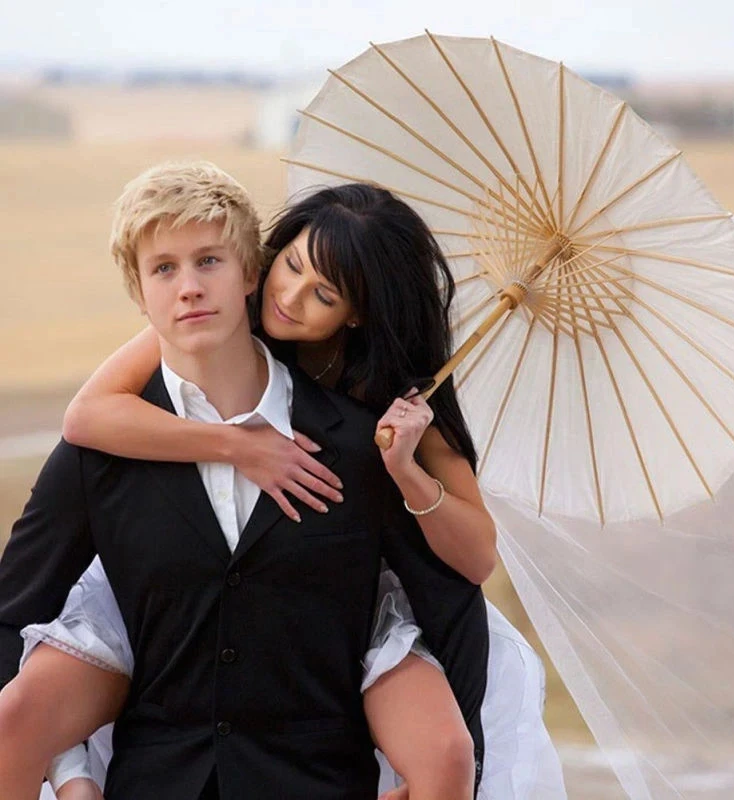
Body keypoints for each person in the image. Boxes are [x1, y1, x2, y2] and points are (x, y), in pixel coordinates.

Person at [0, 166, 493, 800]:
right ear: (269, 261)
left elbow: (462, 582)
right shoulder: (111, 437)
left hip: (314, 732)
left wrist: (460, 770)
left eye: (209, 261)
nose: (293, 298)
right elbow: (81, 424)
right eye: (165, 270)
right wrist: (69, 774)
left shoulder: (380, 425)